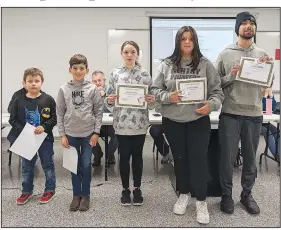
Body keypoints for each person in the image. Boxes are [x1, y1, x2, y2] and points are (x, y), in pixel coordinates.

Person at [150, 26, 224, 224]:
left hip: (198, 120)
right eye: (183, 39)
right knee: (180, 159)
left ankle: (201, 201)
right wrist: (169, 97)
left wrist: (211, 105)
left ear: (195, 41)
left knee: (199, 160)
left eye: (191, 39)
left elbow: (218, 92)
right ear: (178, 41)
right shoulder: (166, 64)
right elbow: (154, 90)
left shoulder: (206, 64)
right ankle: (183, 194)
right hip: (173, 121)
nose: (187, 42)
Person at [216, 12, 273, 215]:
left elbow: (267, 84)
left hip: (254, 114)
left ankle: (246, 194)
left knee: (249, 159)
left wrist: (268, 69)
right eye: (244, 23)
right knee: (227, 159)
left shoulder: (262, 54)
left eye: (252, 23)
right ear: (237, 28)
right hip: (230, 113)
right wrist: (232, 74)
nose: (248, 26)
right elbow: (216, 85)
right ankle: (226, 195)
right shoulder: (225, 54)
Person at [105, 41, 155, 206]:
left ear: (137, 54)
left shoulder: (145, 74)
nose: (129, 55)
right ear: (122, 53)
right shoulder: (114, 73)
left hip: (139, 124)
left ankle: (137, 189)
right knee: (124, 157)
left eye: (132, 52)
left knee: (138, 158)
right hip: (121, 123)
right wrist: (110, 100)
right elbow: (108, 99)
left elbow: (152, 100)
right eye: (126, 52)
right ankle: (125, 189)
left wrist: (150, 99)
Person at [56, 54, 103, 211]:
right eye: (75, 68)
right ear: (70, 70)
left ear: (86, 70)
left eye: (81, 68)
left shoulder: (93, 88)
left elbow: (98, 111)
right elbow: (60, 113)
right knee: (73, 166)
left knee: (85, 165)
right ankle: (76, 195)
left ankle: (86, 195)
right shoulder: (64, 89)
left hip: (88, 135)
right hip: (70, 135)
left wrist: (96, 132)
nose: (78, 71)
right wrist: (62, 135)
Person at [9, 68, 57, 205]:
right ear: (24, 83)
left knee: (48, 164)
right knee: (27, 166)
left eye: (37, 81)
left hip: (45, 139)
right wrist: (25, 130)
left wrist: (45, 126)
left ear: (42, 82)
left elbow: (54, 118)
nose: (33, 84)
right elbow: (13, 120)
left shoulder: (48, 99)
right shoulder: (18, 100)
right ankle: (26, 191)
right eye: (30, 81)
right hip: (26, 139)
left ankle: (50, 190)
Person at [91, 70, 118, 166]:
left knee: (118, 134)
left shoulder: (111, 91)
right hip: (96, 124)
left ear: (104, 81)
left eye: (99, 80)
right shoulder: (90, 92)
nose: (98, 83)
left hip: (110, 124)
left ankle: (110, 155)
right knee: (87, 134)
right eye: (95, 81)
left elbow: (115, 109)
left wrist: (104, 95)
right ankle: (98, 155)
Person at [261, 88, 279, 159]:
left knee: (277, 132)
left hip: (264, 122)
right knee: (268, 132)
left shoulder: (268, 94)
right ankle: (277, 156)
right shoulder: (255, 93)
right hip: (254, 123)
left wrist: (271, 96)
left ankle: (279, 153)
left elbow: (271, 109)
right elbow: (259, 107)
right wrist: (264, 97)